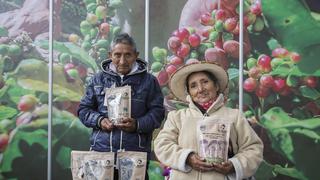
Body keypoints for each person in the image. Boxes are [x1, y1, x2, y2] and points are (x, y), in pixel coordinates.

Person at [154, 62, 263, 180]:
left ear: (216, 86)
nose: (200, 89)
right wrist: (187, 158)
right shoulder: (177, 117)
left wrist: (234, 165)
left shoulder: (235, 116)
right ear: (189, 92)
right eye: (193, 85)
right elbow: (162, 144)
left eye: (205, 82)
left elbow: (253, 148)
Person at [78, 33, 165, 179]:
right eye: (117, 55)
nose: (122, 61)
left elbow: (158, 113)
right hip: (101, 154)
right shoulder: (98, 79)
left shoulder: (149, 81)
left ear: (136, 55)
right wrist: (99, 121)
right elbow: (83, 110)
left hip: (134, 155)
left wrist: (137, 124)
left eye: (128, 55)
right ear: (110, 54)